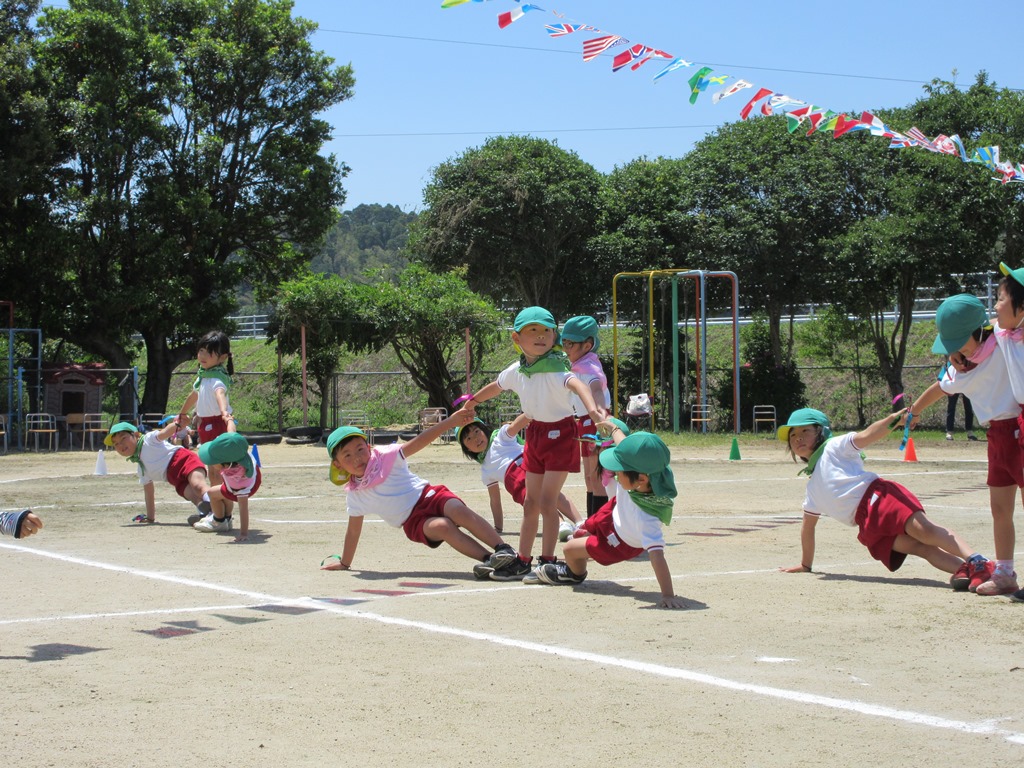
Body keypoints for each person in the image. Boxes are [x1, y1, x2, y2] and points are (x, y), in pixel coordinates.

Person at [462, 306, 608, 582]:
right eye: (533, 331)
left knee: (546, 501)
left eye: (546, 331)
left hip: (561, 434)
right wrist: (473, 402)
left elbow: (578, 385)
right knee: (531, 502)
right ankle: (523, 561)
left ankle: (549, 560)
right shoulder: (519, 370)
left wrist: (593, 411)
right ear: (517, 338)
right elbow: (497, 385)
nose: (541, 336)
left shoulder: (556, 367)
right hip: (535, 435)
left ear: (554, 335)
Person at [777, 408, 991, 588]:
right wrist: (806, 564)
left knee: (926, 532)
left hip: (879, 499)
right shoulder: (812, 486)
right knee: (920, 547)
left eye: (806, 430)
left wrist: (894, 420)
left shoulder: (835, 447)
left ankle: (977, 561)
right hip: (867, 524)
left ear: (822, 432)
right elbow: (808, 526)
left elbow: (867, 435)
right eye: (793, 435)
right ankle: (965, 571)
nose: (798, 438)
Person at [320, 409, 519, 577]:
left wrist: (451, 421)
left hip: (429, 496)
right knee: (442, 526)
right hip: (413, 521)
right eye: (347, 455)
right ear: (338, 464)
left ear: (369, 447)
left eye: (360, 449)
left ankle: (504, 550)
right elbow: (353, 531)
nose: (357, 458)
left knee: (458, 510)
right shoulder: (356, 494)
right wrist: (345, 563)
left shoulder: (387, 457)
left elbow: (420, 441)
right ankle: (491, 560)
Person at [908, 294, 1017, 595]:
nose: (956, 350)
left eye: (960, 342)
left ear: (980, 330)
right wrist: (914, 411)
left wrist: (992, 324)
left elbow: (1005, 323)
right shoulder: (961, 367)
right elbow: (938, 389)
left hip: (1020, 429)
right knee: (999, 509)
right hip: (996, 435)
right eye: (951, 345)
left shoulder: (1006, 341)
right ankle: (1005, 572)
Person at [530, 426, 687, 609]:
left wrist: (667, 594)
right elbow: (624, 446)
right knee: (583, 530)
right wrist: (613, 429)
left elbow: (657, 556)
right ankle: (589, 533)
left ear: (641, 479)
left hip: (619, 543)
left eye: (619, 470)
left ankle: (574, 574)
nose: (615, 473)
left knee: (569, 549)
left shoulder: (647, 517)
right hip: (614, 517)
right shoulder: (642, 478)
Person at [454, 413, 582, 541]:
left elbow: (516, 424)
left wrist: (532, 410)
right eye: (468, 439)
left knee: (555, 495)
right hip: (516, 486)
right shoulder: (485, 470)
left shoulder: (500, 438)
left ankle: (580, 522)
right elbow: (495, 500)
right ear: (467, 449)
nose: (476, 438)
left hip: (530, 471)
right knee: (538, 502)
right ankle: (561, 524)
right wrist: (498, 528)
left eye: (477, 431)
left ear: (484, 429)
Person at [106, 420, 212, 524]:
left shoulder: (148, 439)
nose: (120, 445)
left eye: (123, 438)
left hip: (184, 460)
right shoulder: (141, 468)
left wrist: (177, 424)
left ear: (136, 434)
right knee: (193, 496)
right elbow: (149, 493)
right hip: (174, 478)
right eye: (116, 444)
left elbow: (164, 432)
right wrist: (150, 518)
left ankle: (217, 513)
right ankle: (207, 514)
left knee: (198, 486)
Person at [991, 262, 1024, 601]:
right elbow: (976, 333)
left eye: (1001, 298)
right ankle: (1005, 572)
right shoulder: (1003, 332)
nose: (996, 305)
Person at [561, 315, 611, 519]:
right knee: (590, 478)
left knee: (597, 477)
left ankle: (600, 525)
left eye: (570, 343)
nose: (565, 348)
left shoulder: (589, 367)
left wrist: (599, 412)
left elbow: (596, 389)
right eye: (564, 343)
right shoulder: (578, 364)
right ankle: (593, 523)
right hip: (584, 422)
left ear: (587, 345)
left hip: (594, 422)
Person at [176, 331, 235, 499]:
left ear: (222, 357)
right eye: (201, 350)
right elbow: (194, 395)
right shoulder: (203, 376)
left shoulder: (216, 378)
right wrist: (182, 413)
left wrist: (224, 412)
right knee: (213, 469)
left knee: (218, 470)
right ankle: (218, 509)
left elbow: (220, 394)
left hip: (217, 424)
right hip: (206, 425)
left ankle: (220, 509)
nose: (202, 355)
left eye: (209, 353)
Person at [193, 432, 261, 541]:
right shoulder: (237, 451)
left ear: (225, 464)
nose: (210, 464)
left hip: (243, 488)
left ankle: (219, 521)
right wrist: (228, 420)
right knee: (220, 492)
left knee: (213, 494)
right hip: (241, 480)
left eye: (213, 461)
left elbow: (243, 508)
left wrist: (243, 533)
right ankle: (227, 519)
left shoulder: (239, 482)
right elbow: (232, 436)